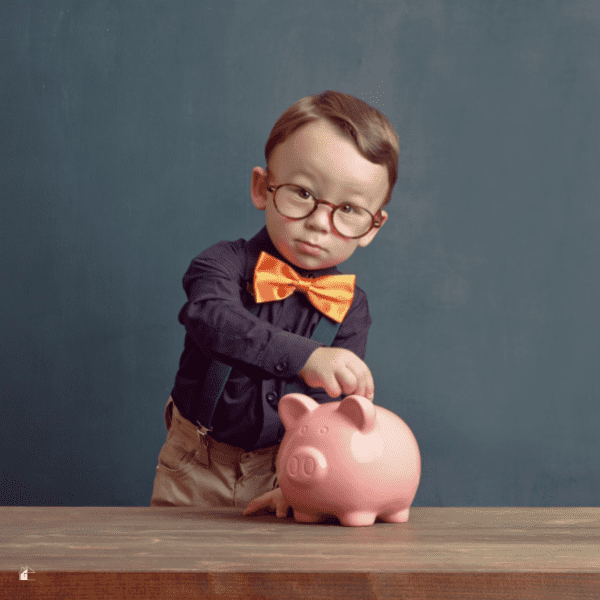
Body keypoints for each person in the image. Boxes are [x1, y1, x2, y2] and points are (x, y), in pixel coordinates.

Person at [150, 90, 399, 518]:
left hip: (292, 473)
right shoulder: (221, 263)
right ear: (262, 187)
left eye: (349, 208)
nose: (320, 222)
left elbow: (333, 413)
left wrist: (301, 484)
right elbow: (212, 321)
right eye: (302, 193)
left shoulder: (351, 307)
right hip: (196, 463)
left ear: (372, 226)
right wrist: (307, 356)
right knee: (177, 575)